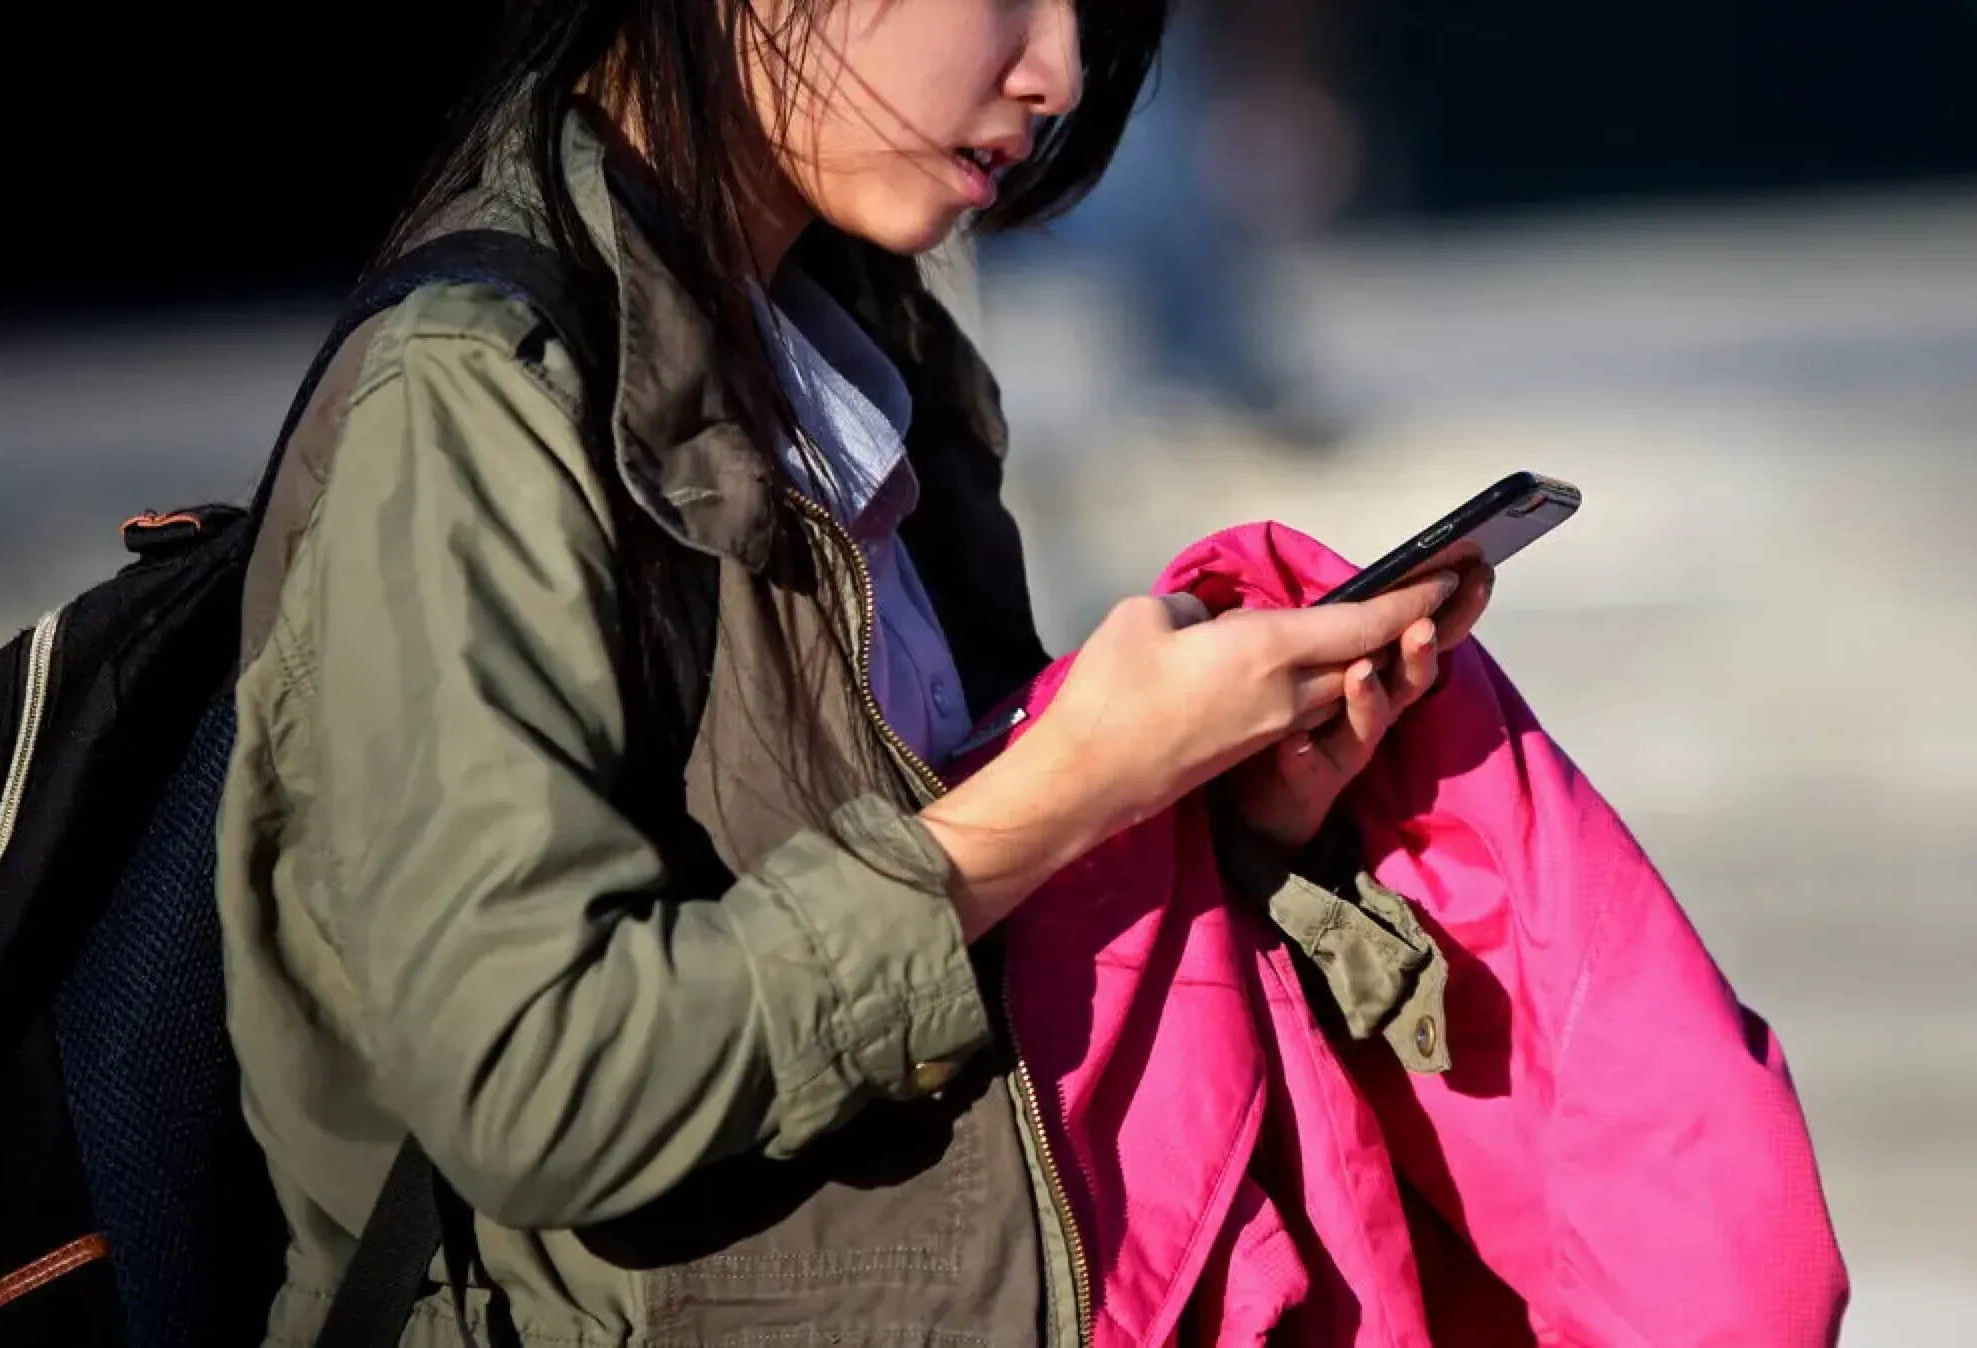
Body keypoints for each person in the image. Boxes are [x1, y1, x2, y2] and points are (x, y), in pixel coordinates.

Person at [216, 1, 1493, 1344]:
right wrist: (1064, 791)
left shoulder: (855, 338)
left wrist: (1219, 807)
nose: (1054, 73)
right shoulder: (476, 394)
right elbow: (537, 1085)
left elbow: (949, 926)